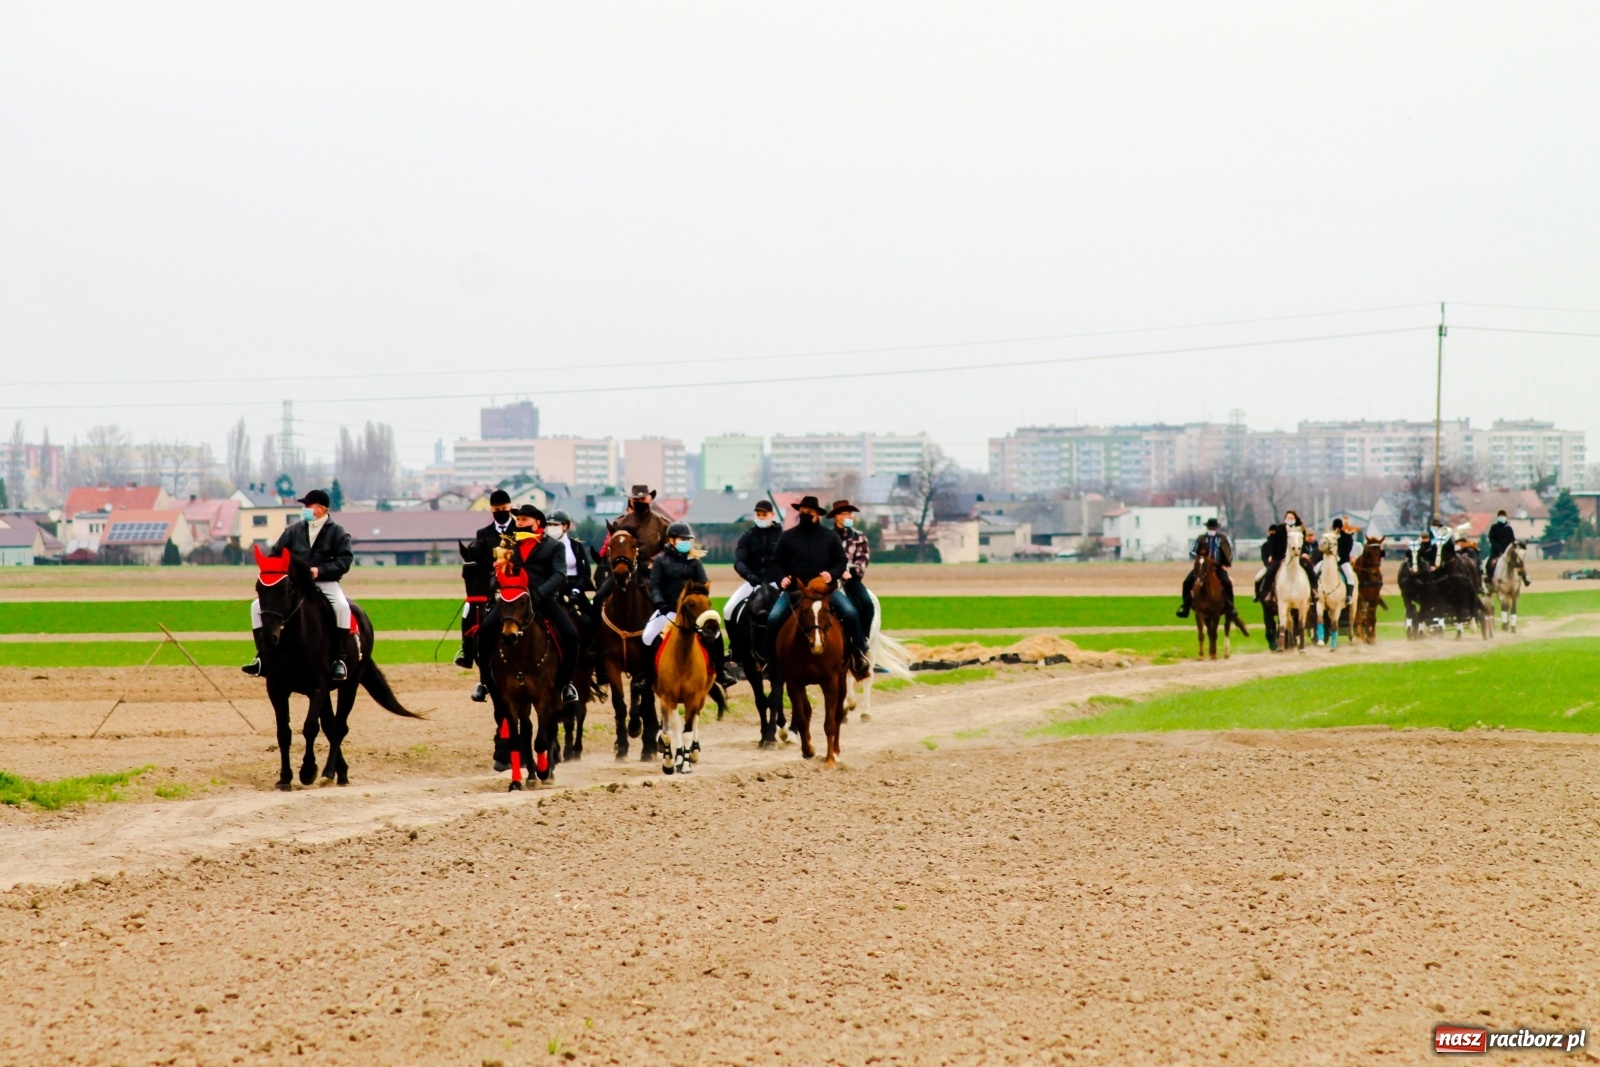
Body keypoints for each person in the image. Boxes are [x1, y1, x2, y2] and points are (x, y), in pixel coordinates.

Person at [469, 505, 581, 710]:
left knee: (571, 634)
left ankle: (566, 684)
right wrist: (498, 582)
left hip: (542, 599)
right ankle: (484, 681)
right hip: (512, 600)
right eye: (518, 520)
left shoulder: (553, 546)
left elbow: (559, 575)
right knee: (485, 631)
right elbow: (497, 574)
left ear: (537, 523)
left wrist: (539, 593)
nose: (519, 523)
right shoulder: (508, 545)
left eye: (524, 520)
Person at [242, 489, 353, 680]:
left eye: (308, 506)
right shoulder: (293, 531)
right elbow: (276, 554)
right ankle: (262, 656)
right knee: (255, 607)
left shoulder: (338, 532)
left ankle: (339, 660)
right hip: (297, 585)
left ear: (321, 509)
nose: (305, 509)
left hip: (326, 582)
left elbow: (345, 561)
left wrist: (320, 571)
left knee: (343, 607)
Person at [766, 495, 869, 677]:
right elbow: (776, 562)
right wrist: (782, 578)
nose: (805, 515)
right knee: (773, 618)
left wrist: (832, 573)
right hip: (795, 590)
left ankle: (858, 653)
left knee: (851, 613)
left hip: (824, 591)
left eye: (809, 512)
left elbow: (840, 560)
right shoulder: (788, 536)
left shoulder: (829, 537)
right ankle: (771, 661)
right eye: (803, 512)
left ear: (817, 514)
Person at [641, 521, 735, 687]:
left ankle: (721, 671)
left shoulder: (694, 561)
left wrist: (697, 602)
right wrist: (659, 603)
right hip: (668, 609)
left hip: (692, 611)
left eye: (688, 539)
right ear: (671, 540)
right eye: (681, 539)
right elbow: (654, 585)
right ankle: (647, 675)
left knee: (716, 635)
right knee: (648, 636)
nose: (685, 542)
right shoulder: (660, 561)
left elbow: (703, 582)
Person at [455, 488, 517, 668]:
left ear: (510, 507)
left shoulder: (519, 530)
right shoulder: (483, 533)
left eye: (504, 508)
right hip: (490, 584)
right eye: (497, 510)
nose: (500, 513)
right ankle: (467, 651)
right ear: (492, 510)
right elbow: (480, 560)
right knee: (468, 610)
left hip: (516, 583)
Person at [592, 485, 673, 619]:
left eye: (643, 498)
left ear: (650, 499)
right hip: (622, 571)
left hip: (652, 573)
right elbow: (611, 549)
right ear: (631, 500)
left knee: (667, 602)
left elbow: (669, 550)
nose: (640, 502)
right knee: (598, 598)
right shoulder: (620, 522)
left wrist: (654, 561)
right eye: (636, 499)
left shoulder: (663, 525)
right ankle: (594, 638)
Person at [725, 499, 783, 624]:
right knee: (728, 610)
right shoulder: (748, 535)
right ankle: (734, 643)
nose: (761, 518)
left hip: (776, 584)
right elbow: (739, 561)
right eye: (758, 515)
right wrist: (749, 576)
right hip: (753, 583)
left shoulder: (782, 536)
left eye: (764, 515)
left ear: (772, 515)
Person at [1176, 517, 1242, 624]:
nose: (1212, 530)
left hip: (1217, 567)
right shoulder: (1200, 538)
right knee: (1186, 582)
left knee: (1227, 583)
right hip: (1202, 568)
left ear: (1216, 528)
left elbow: (1229, 553)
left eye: (1213, 528)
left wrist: (1226, 564)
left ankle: (1231, 607)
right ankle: (1185, 606)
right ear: (1207, 527)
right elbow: (1192, 552)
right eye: (1210, 528)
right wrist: (1199, 558)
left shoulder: (1222, 539)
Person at [829, 499, 877, 642]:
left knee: (867, 604)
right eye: (847, 513)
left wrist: (852, 572)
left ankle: (863, 640)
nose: (851, 516)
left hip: (851, 580)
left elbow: (863, 558)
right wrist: (837, 572)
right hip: (830, 580)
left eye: (851, 513)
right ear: (837, 516)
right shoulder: (827, 536)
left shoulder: (859, 536)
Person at [1484, 509, 1529, 585]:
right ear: (1498, 517)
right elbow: (1492, 539)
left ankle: (1525, 579)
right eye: (1500, 516)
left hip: (1508, 551)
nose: (1502, 518)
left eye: (1503, 516)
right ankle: (1489, 580)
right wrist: (1498, 548)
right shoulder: (1494, 527)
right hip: (1496, 552)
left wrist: (1516, 545)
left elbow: (1512, 540)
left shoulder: (1509, 529)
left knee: (1519, 561)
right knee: (1489, 564)